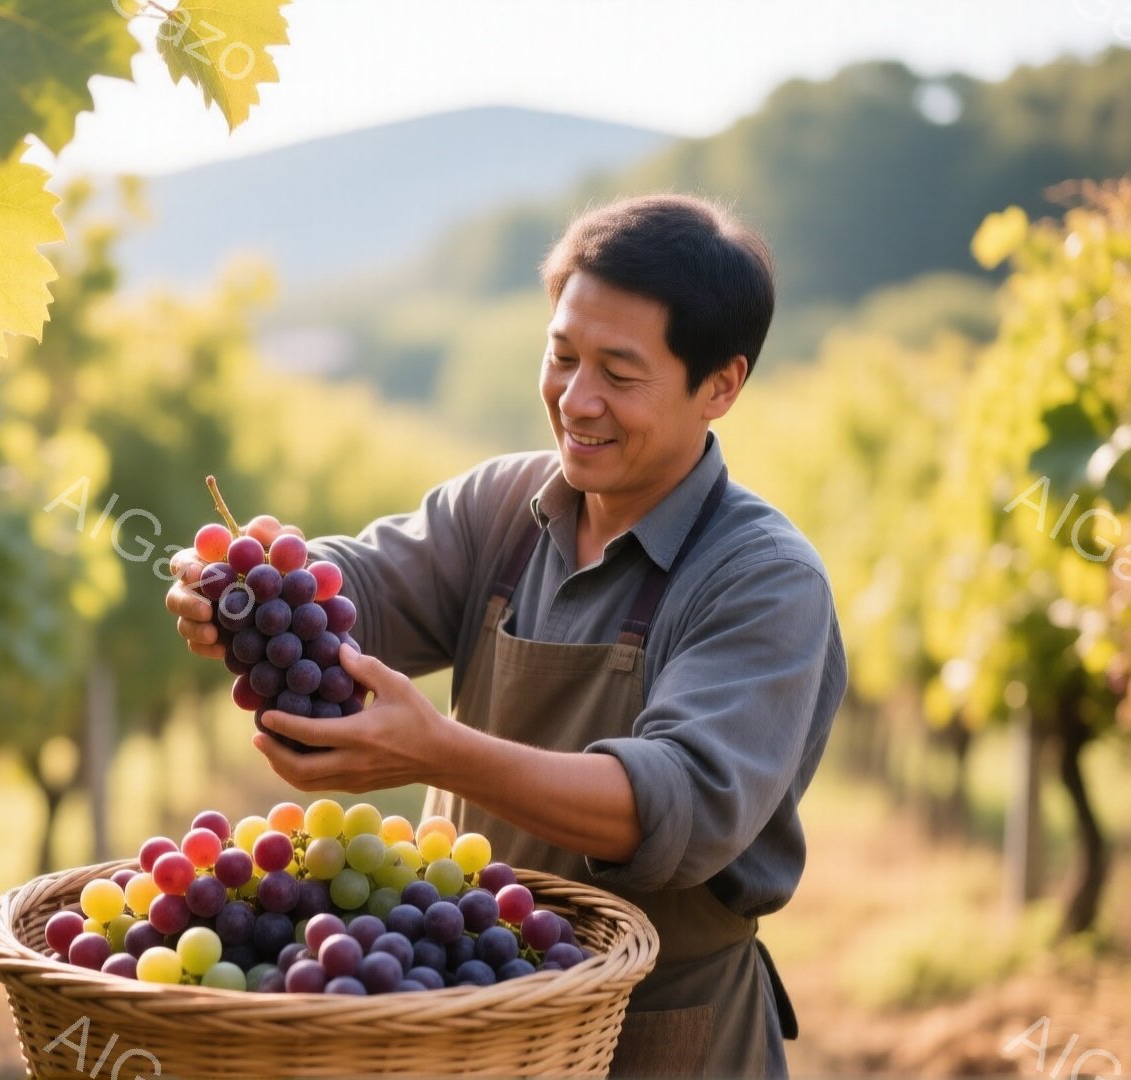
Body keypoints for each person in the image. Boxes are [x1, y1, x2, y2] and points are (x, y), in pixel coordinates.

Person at [165, 194, 845, 1077]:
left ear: (721, 384)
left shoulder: (762, 578)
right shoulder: (505, 508)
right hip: (471, 1008)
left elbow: (676, 803)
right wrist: (253, 589)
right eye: (562, 356)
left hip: (663, 1034)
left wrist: (438, 753)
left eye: (620, 373)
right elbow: (363, 582)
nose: (577, 399)